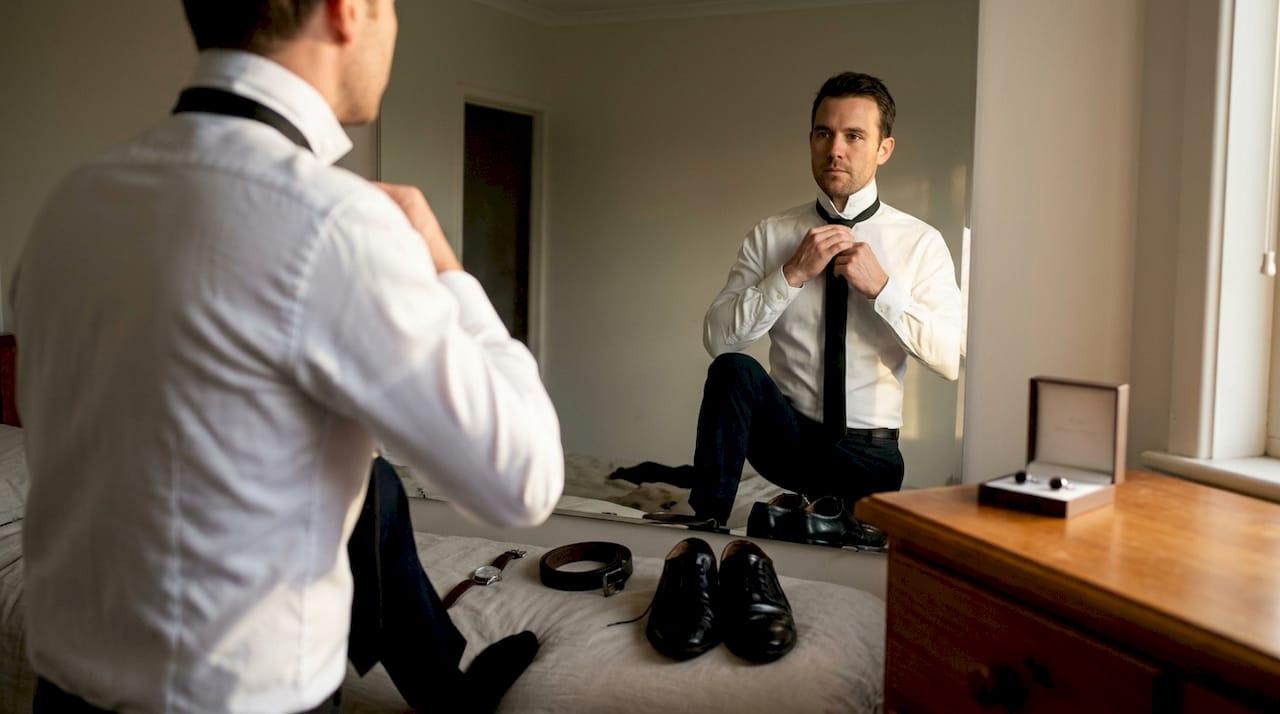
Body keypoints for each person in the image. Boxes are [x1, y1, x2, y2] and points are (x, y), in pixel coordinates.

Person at [11, 1, 564, 712]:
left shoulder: (71, 205)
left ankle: (444, 688)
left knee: (379, 491)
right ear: (348, 10)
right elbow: (523, 480)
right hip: (239, 701)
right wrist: (449, 271)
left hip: (61, 694)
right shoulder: (333, 224)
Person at [690, 71, 962, 529]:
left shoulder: (921, 243)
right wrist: (790, 273)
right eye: (824, 133)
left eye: (854, 136)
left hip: (868, 456)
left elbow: (950, 359)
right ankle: (705, 530)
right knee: (732, 370)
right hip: (789, 442)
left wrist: (883, 290)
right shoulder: (772, 235)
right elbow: (718, 339)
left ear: (883, 149)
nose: (835, 149)